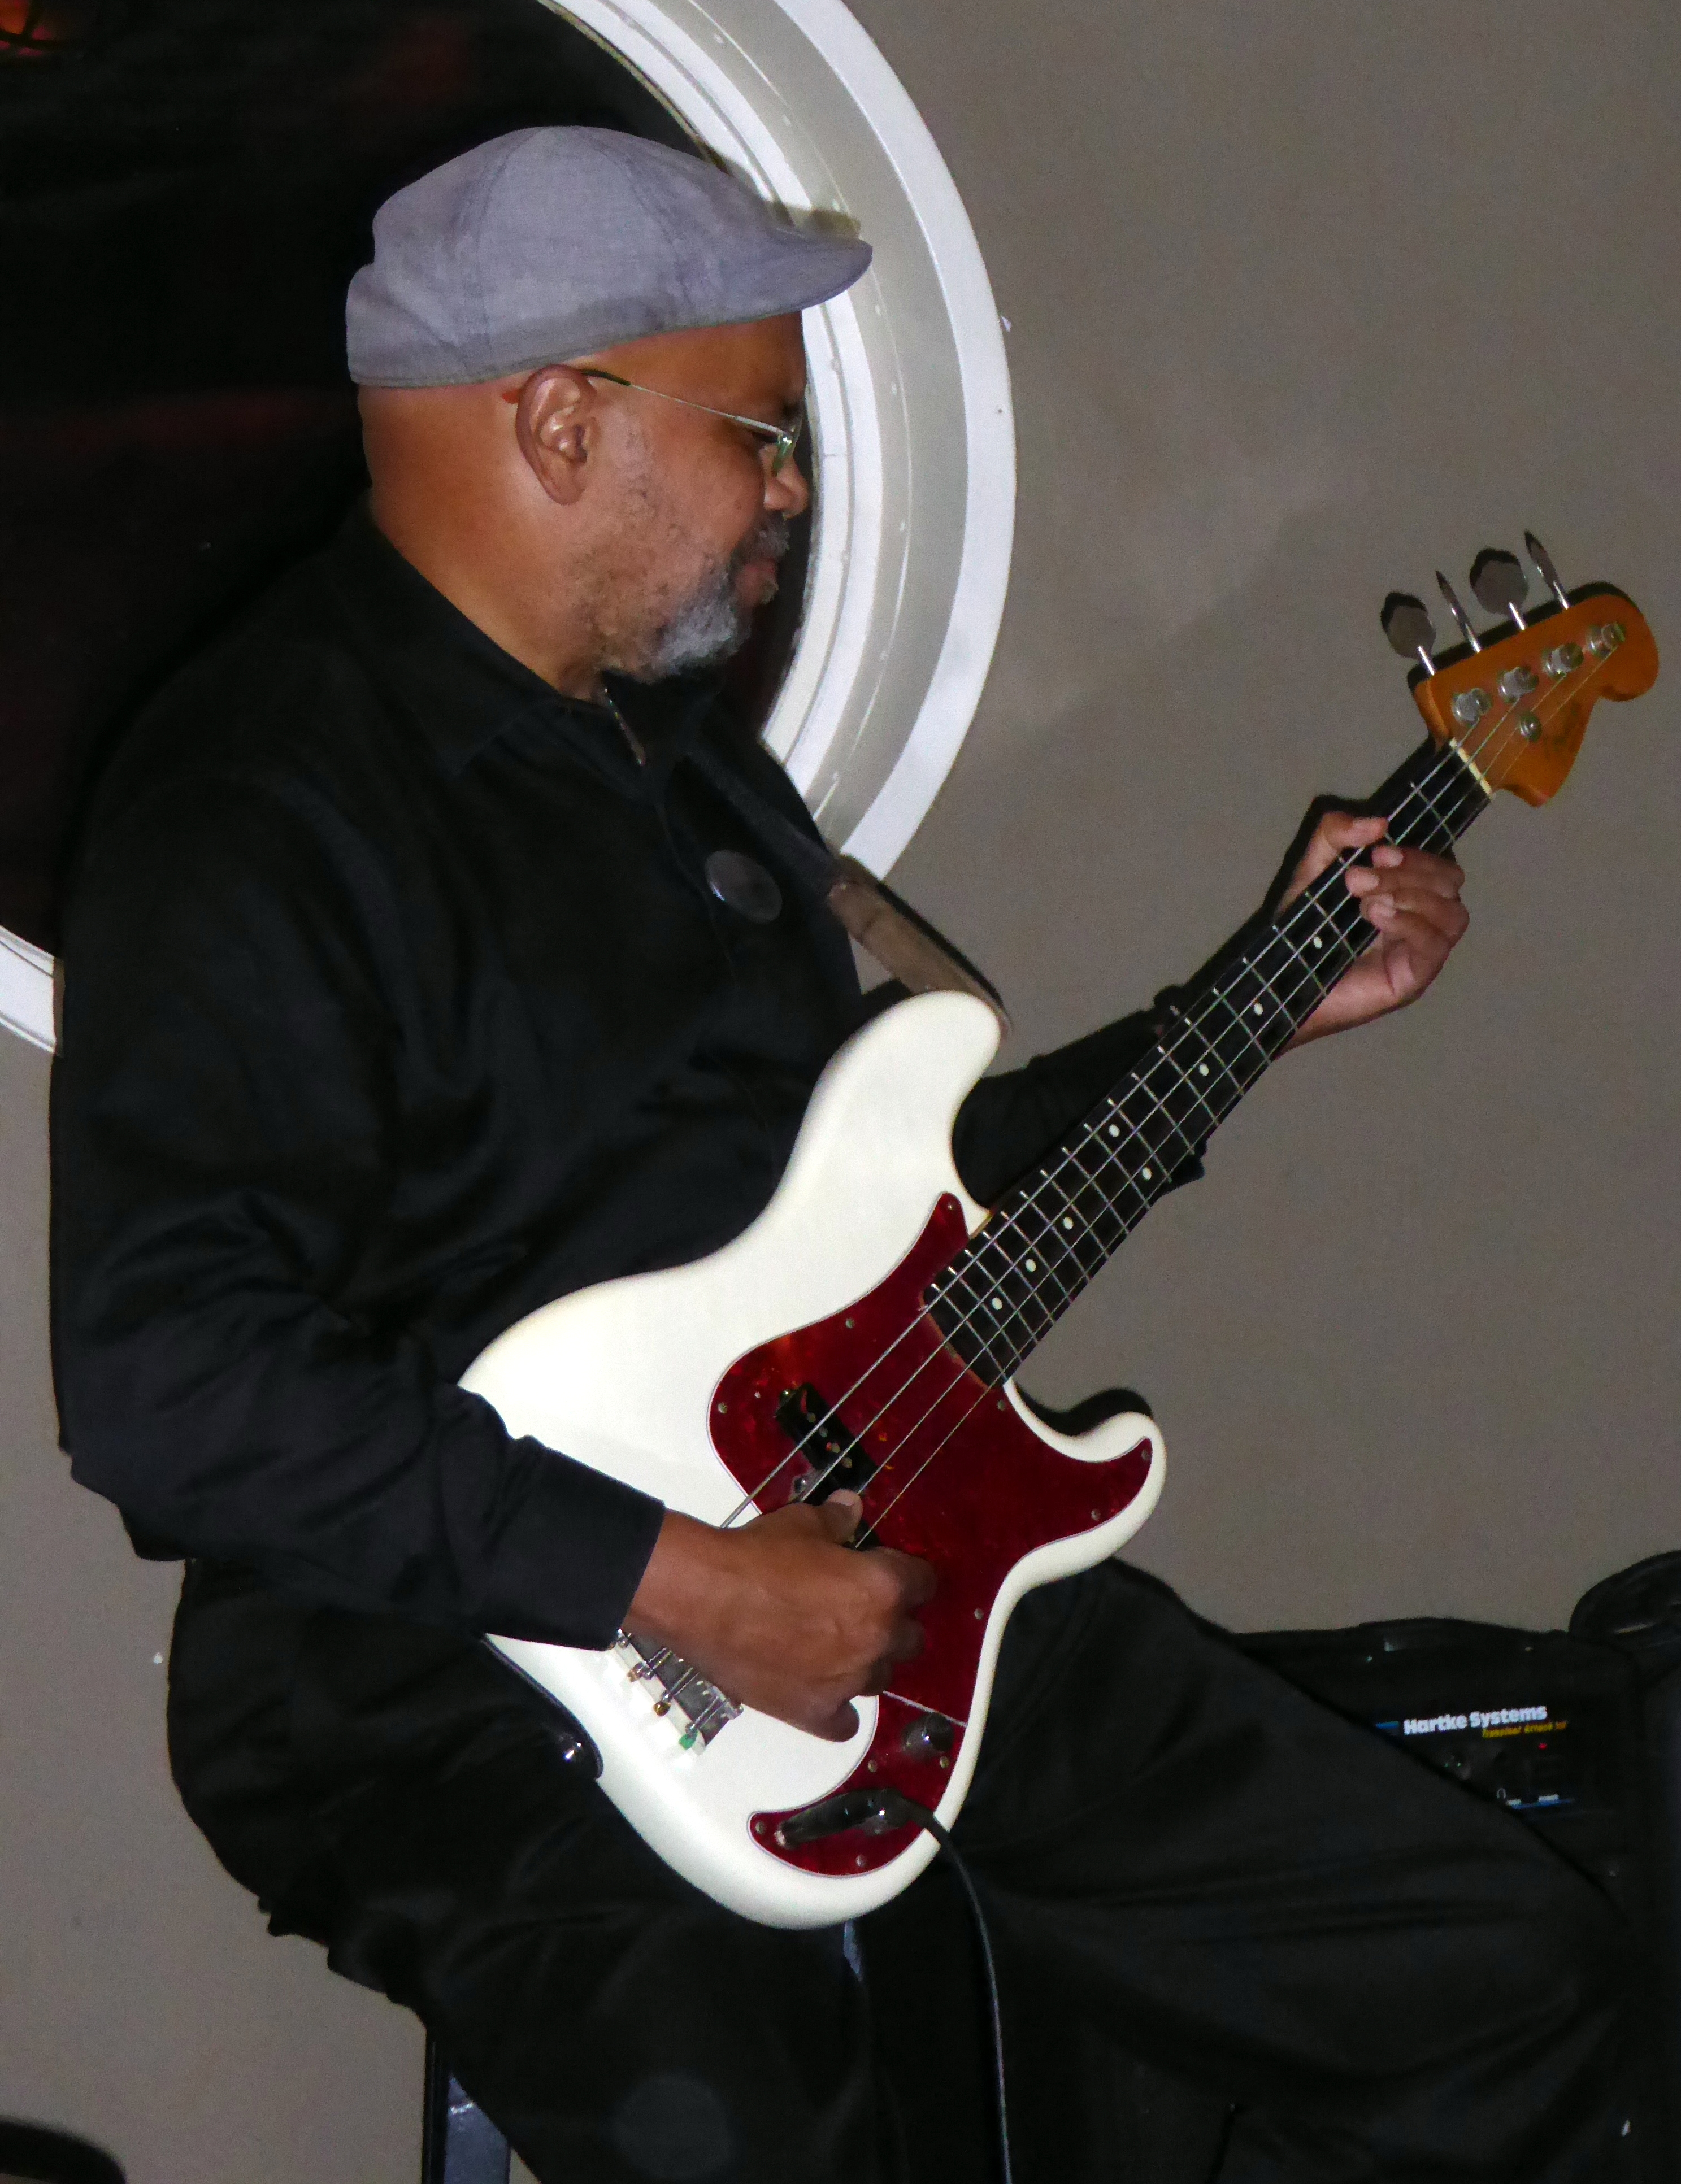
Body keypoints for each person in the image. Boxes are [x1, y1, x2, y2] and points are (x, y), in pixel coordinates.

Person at [50, 128, 1623, 2182]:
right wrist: (690, 1581)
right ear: (562, 422)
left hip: (866, 1538)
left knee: (1507, 1978)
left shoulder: (686, 764)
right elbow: (171, 1387)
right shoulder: (255, 807)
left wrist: (1259, 999)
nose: (792, 490)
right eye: (762, 434)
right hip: (439, 1675)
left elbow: (893, 1213)